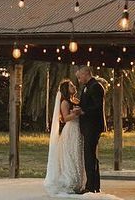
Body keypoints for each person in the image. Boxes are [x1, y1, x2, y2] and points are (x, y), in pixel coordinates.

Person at [43, 79, 87, 196]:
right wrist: (75, 114)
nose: (74, 86)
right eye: (71, 85)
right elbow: (65, 118)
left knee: (78, 154)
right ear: (66, 89)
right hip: (71, 130)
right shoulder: (65, 102)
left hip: (79, 130)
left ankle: (79, 182)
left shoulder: (76, 100)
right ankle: (70, 181)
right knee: (70, 154)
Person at [75, 65, 105, 193]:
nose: (79, 79)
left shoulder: (95, 86)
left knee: (89, 156)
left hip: (92, 126)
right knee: (90, 155)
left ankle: (90, 186)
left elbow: (97, 107)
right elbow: (86, 103)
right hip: (88, 126)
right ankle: (94, 185)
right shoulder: (87, 87)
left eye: (80, 76)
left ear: (86, 73)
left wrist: (83, 111)